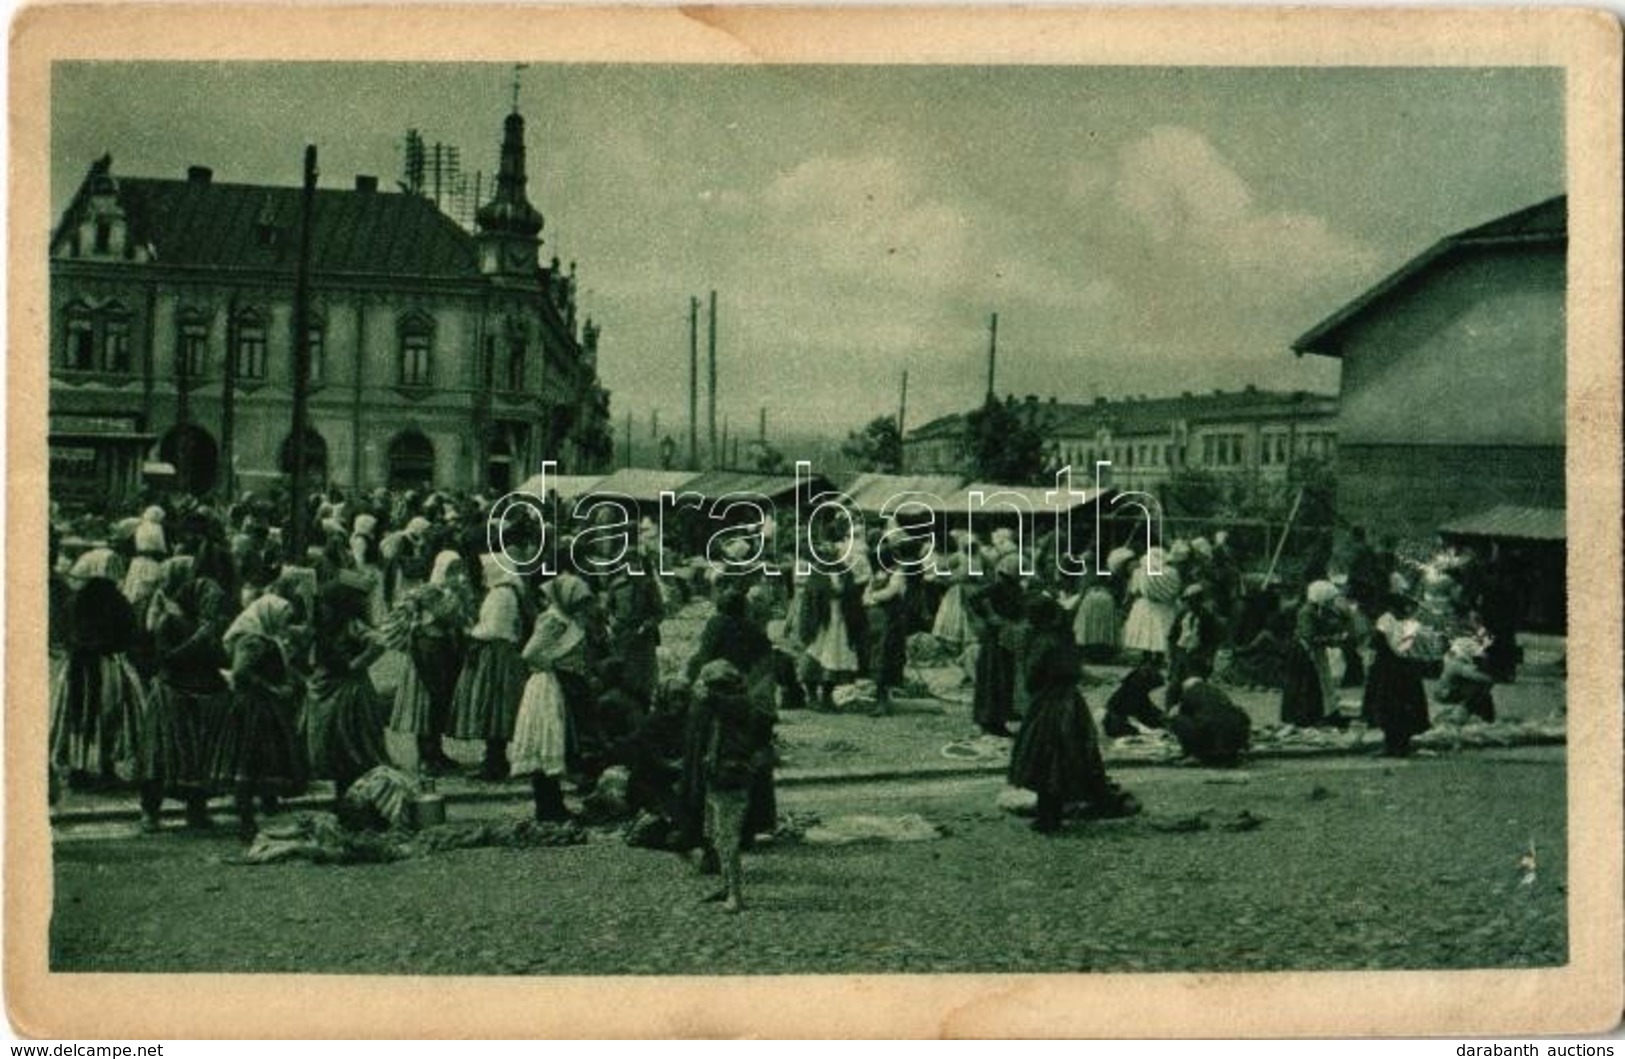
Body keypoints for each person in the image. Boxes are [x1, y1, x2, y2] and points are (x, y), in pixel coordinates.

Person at [1007, 597, 1136, 834]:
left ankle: (1048, 818)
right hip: (1071, 702)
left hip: (1048, 702)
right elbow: (1074, 671)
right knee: (1066, 757)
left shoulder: (1042, 642)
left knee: (1046, 758)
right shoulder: (1064, 639)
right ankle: (1056, 812)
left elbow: (1032, 678)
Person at [139, 556, 229, 831]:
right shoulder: (169, 621)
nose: (212, 607)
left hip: (204, 696)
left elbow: (222, 660)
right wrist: (199, 639)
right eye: (208, 601)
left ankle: (197, 810)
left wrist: (216, 640)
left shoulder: (206, 624)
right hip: (173, 696)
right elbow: (166, 659)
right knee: (163, 755)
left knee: (199, 760)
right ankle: (151, 812)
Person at [214, 592, 309, 841]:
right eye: (283, 618)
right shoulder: (252, 641)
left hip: (266, 709)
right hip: (253, 709)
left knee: (260, 763)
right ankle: (246, 822)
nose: (285, 624)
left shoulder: (266, 638)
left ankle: (258, 816)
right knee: (247, 765)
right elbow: (241, 673)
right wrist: (273, 688)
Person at [50, 549, 147, 790]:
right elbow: (129, 632)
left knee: (78, 717)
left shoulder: (76, 599)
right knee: (108, 716)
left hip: (78, 665)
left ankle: (78, 768)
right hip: (105, 665)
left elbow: (64, 632)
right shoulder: (116, 600)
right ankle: (103, 766)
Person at [509, 574, 594, 823]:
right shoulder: (554, 620)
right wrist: (554, 666)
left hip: (559, 685)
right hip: (547, 687)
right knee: (546, 742)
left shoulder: (565, 618)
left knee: (554, 744)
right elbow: (529, 653)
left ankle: (553, 805)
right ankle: (547, 808)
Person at [695, 659, 775, 913]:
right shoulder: (728, 707)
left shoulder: (738, 705)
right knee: (717, 836)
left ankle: (736, 895)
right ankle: (725, 885)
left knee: (728, 838)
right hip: (717, 775)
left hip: (732, 777)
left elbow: (714, 701)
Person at [384, 550, 472, 775]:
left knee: (441, 701)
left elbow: (462, 619)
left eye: (458, 569)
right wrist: (458, 594)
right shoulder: (431, 591)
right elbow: (448, 615)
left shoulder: (445, 592)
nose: (457, 575)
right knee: (427, 702)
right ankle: (426, 755)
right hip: (427, 650)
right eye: (452, 570)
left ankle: (437, 751)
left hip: (443, 649)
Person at [304, 576, 389, 804]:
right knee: (331, 747)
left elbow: (379, 642)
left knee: (354, 746)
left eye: (326, 604)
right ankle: (344, 798)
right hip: (325, 691)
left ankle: (359, 800)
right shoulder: (322, 627)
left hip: (349, 694)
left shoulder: (351, 625)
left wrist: (356, 664)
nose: (322, 608)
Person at [450, 556, 530, 780]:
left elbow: (493, 628)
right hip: (498, 652)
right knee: (495, 707)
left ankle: (494, 762)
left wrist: (470, 630)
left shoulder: (501, 595)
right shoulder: (505, 592)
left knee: (492, 706)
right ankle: (494, 759)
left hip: (496, 653)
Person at [1362, 594, 1432, 756]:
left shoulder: (1385, 621)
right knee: (1403, 707)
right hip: (1406, 671)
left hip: (1387, 671)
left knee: (1388, 707)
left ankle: (1392, 745)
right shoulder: (1410, 623)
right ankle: (1402, 745)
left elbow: (1376, 644)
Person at [967, 553, 1024, 738]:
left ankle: (997, 719)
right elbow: (974, 598)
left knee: (1003, 678)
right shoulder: (998, 586)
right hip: (995, 638)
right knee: (994, 677)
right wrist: (988, 617)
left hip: (1006, 636)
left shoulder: (1015, 588)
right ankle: (989, 720)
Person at [1280, 580, 1348, 728]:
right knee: (1307, 684)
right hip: (1304, 651)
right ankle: (1306, 716)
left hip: (1313, 650)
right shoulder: (1307, 612)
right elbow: (1308, 636)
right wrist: (1331, 639)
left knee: (1319, 683)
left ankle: (1321, 713)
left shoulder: (1316, 610)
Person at [861, 547, 910, 717]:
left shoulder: (898, 574)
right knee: (875, 656)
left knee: (886, 656)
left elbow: (890, 593)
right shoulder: (877, 574)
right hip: (875, 621)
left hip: (891, 621)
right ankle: (881, 698)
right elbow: (865, 594)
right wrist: (871, 596)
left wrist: (873, 597)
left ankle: (883, 701)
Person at [1168, 675, 1251, 766]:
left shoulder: (1190, 693)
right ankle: (1230, 753)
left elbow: (1176, 714)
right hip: (1234, 739)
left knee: (1177, 720)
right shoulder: (1217, 692)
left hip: (1210, 737)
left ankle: (1194, 755)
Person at [1165, 583, 1221, 710]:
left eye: (1194, 601)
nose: (1190, 604)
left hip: (1198, 654)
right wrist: (1171, 656)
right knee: (1174, 685)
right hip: (1181, 652)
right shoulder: (1182, 615)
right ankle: (1169, 712)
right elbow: (1172, 637)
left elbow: (1212, 641)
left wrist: (1209, 658)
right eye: (1188, 601)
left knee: (1195, 686)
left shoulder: (1207, 617)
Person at [1121, 547, 1181, 664]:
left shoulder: (1139, 572)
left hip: (1145, 606)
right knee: (1161, 632)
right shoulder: (1172, 572)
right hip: (1165, 606)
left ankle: (1146, 658)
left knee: (1146, 632)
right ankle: (1158, 658)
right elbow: (1176, 590)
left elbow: (1135, 591)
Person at [930, 530, 977, 650]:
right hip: (961, 587)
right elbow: (942, 568)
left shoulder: (964, 556)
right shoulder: (963, 556)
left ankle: (958, 642)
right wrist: (949, 577)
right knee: (958, 613)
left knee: (961, 613)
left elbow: (942, 569)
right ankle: (956, 642)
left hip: (962, 588)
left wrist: (948, 577)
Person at [1071, 554, 1119, 664]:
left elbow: (1082, 591)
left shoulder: (1085, 574)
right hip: (1107, 598)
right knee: (1103, 627)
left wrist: (1076, 605)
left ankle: (1091, 654)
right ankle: (1104, 654)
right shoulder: (1106, 570)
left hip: (1091, 598)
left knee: (1090, 627)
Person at [1101, 655, 1166, 737]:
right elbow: (1144, 713)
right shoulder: (1134, 690)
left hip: (1119, 719)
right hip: (1117, 723)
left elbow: (1146, 708)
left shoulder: (1133, 688)